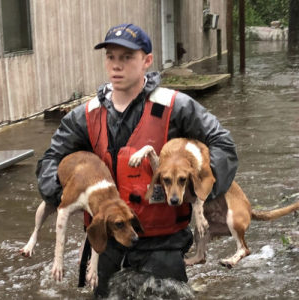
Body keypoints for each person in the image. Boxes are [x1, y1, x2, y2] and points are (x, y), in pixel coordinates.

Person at [35, 23, 238, 298]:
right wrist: (62, 194)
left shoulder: (177, 106)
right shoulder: (84, 115)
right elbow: (51, 159)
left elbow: (223, 144)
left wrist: (202, 187)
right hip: (106, 241)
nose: (116, 65)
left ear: (147, 61)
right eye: (111, 57)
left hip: (163, 243)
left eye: (127, 57)